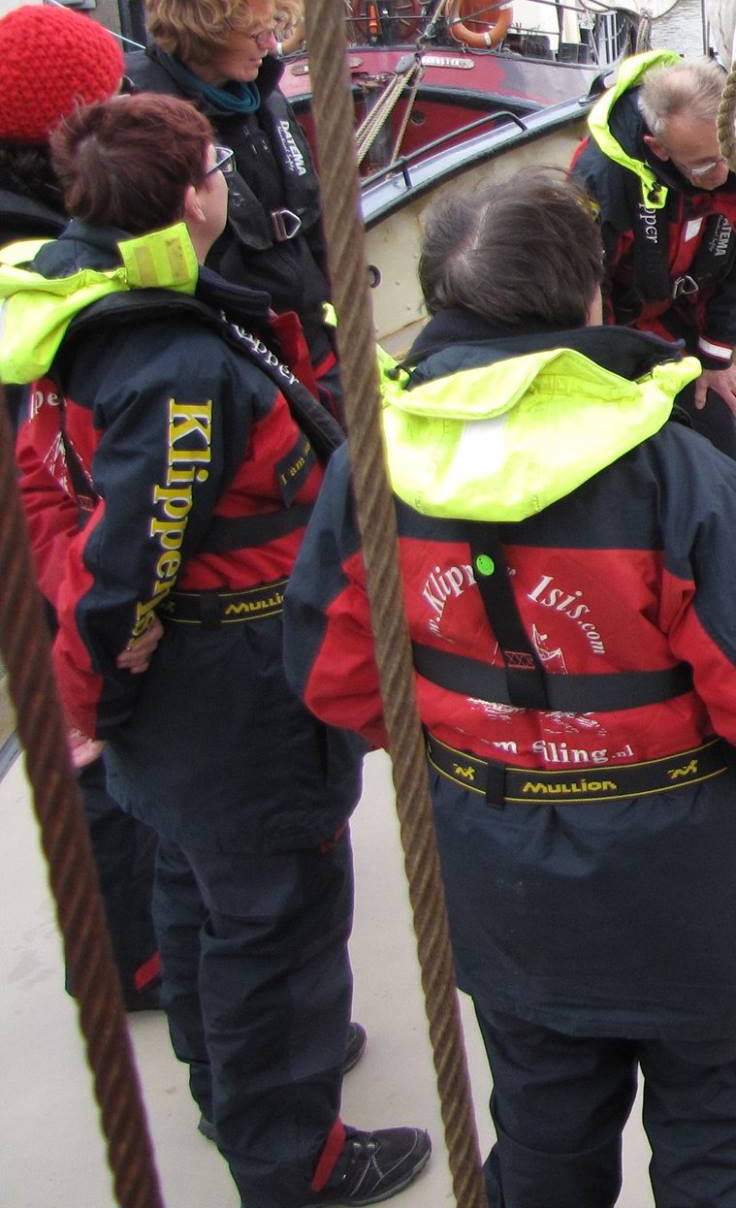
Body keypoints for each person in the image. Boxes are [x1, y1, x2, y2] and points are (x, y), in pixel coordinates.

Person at [285, 167, 736, 1208]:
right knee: (720, 1157)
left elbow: (334, 679)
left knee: (542, 1143)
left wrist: (494, 739)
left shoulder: (367, 467)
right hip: (701, 903)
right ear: (591, 297)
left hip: (508, 891)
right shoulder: (671, 466)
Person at [0, 93, 429, 1206]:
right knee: (275, 921)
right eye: (213, 171)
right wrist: (99, 685)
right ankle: (295, 1158)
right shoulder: (173, 367)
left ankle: (227, 1083)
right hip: (230, 687)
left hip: (185, 704)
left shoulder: (77, 305)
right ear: (195, 196)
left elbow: (60, 497)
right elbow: (130, 557)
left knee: (197, 888)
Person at [0, 1, 165, 1011]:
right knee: (95, 747)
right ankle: (129, 960)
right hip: (53, 557)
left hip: (50, 549)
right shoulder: (35, 268)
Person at [123, 0, 334, 383]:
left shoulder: (263, 93)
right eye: (257, 32)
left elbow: (312, 221)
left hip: (311, 339)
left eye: (274, 25)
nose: (272, 43)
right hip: (237, 361)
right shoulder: (143, 118)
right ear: (206, 30)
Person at [573, 52, 736, 466]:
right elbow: (588, 288)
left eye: (726, 157)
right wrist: (604, 378)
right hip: (624, 327)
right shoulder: (601, 180)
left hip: (687, 319)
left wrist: (715, 359)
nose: (722, 174)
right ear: (657, 149)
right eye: (704, 165)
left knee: (720, 418)